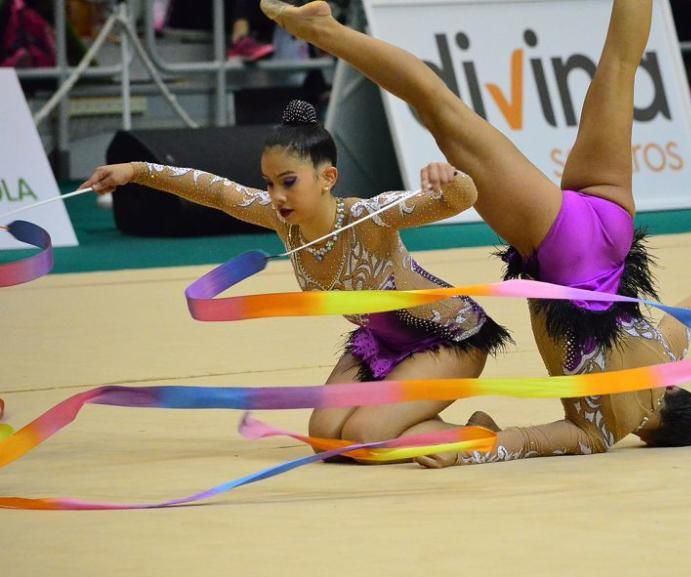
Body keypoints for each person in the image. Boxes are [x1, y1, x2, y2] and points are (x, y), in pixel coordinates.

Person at [261, 0, 691, 467]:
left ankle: (327, 30)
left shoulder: (665, 354)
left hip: (611, 224)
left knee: (619, 63)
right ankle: (326, 31)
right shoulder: (602, 430)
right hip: (563, 247)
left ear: (676, 391)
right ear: (650, 436)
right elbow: (522, 441)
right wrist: (464, 452)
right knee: (441, 111)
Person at [81, 99, 511, 449]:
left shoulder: (369, 217)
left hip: (447, 339)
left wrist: (450, 177)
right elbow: (213, 190)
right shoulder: (281, 220)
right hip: (380, 343)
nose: (276, 196)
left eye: (288, 182)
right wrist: (136, 171)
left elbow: (456, 201)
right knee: (325, 437)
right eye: (269, 183)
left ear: (328, 177)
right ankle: (412, 422)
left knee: (364, 437)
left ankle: (479, 435)